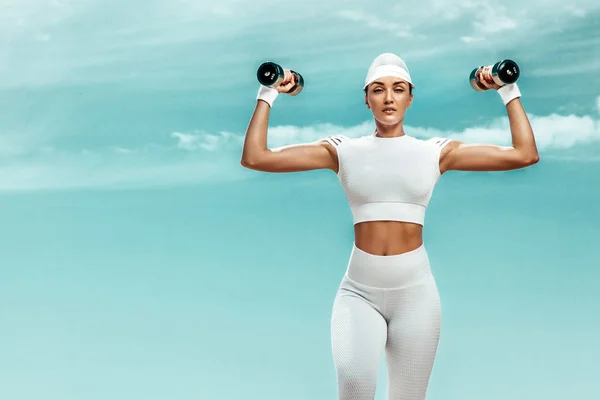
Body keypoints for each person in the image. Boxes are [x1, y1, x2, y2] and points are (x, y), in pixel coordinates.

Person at [240, 53, 539, 400]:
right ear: (366, 99)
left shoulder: (436, 152)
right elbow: (256, 157)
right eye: (378, 90)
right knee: (353, 389)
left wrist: (507, 89)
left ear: (410, 98)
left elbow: (524, 154)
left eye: (398, 89)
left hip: (415, 295)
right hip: (358, 294)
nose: (388, 98)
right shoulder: (342, 151)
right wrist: (268, 92)